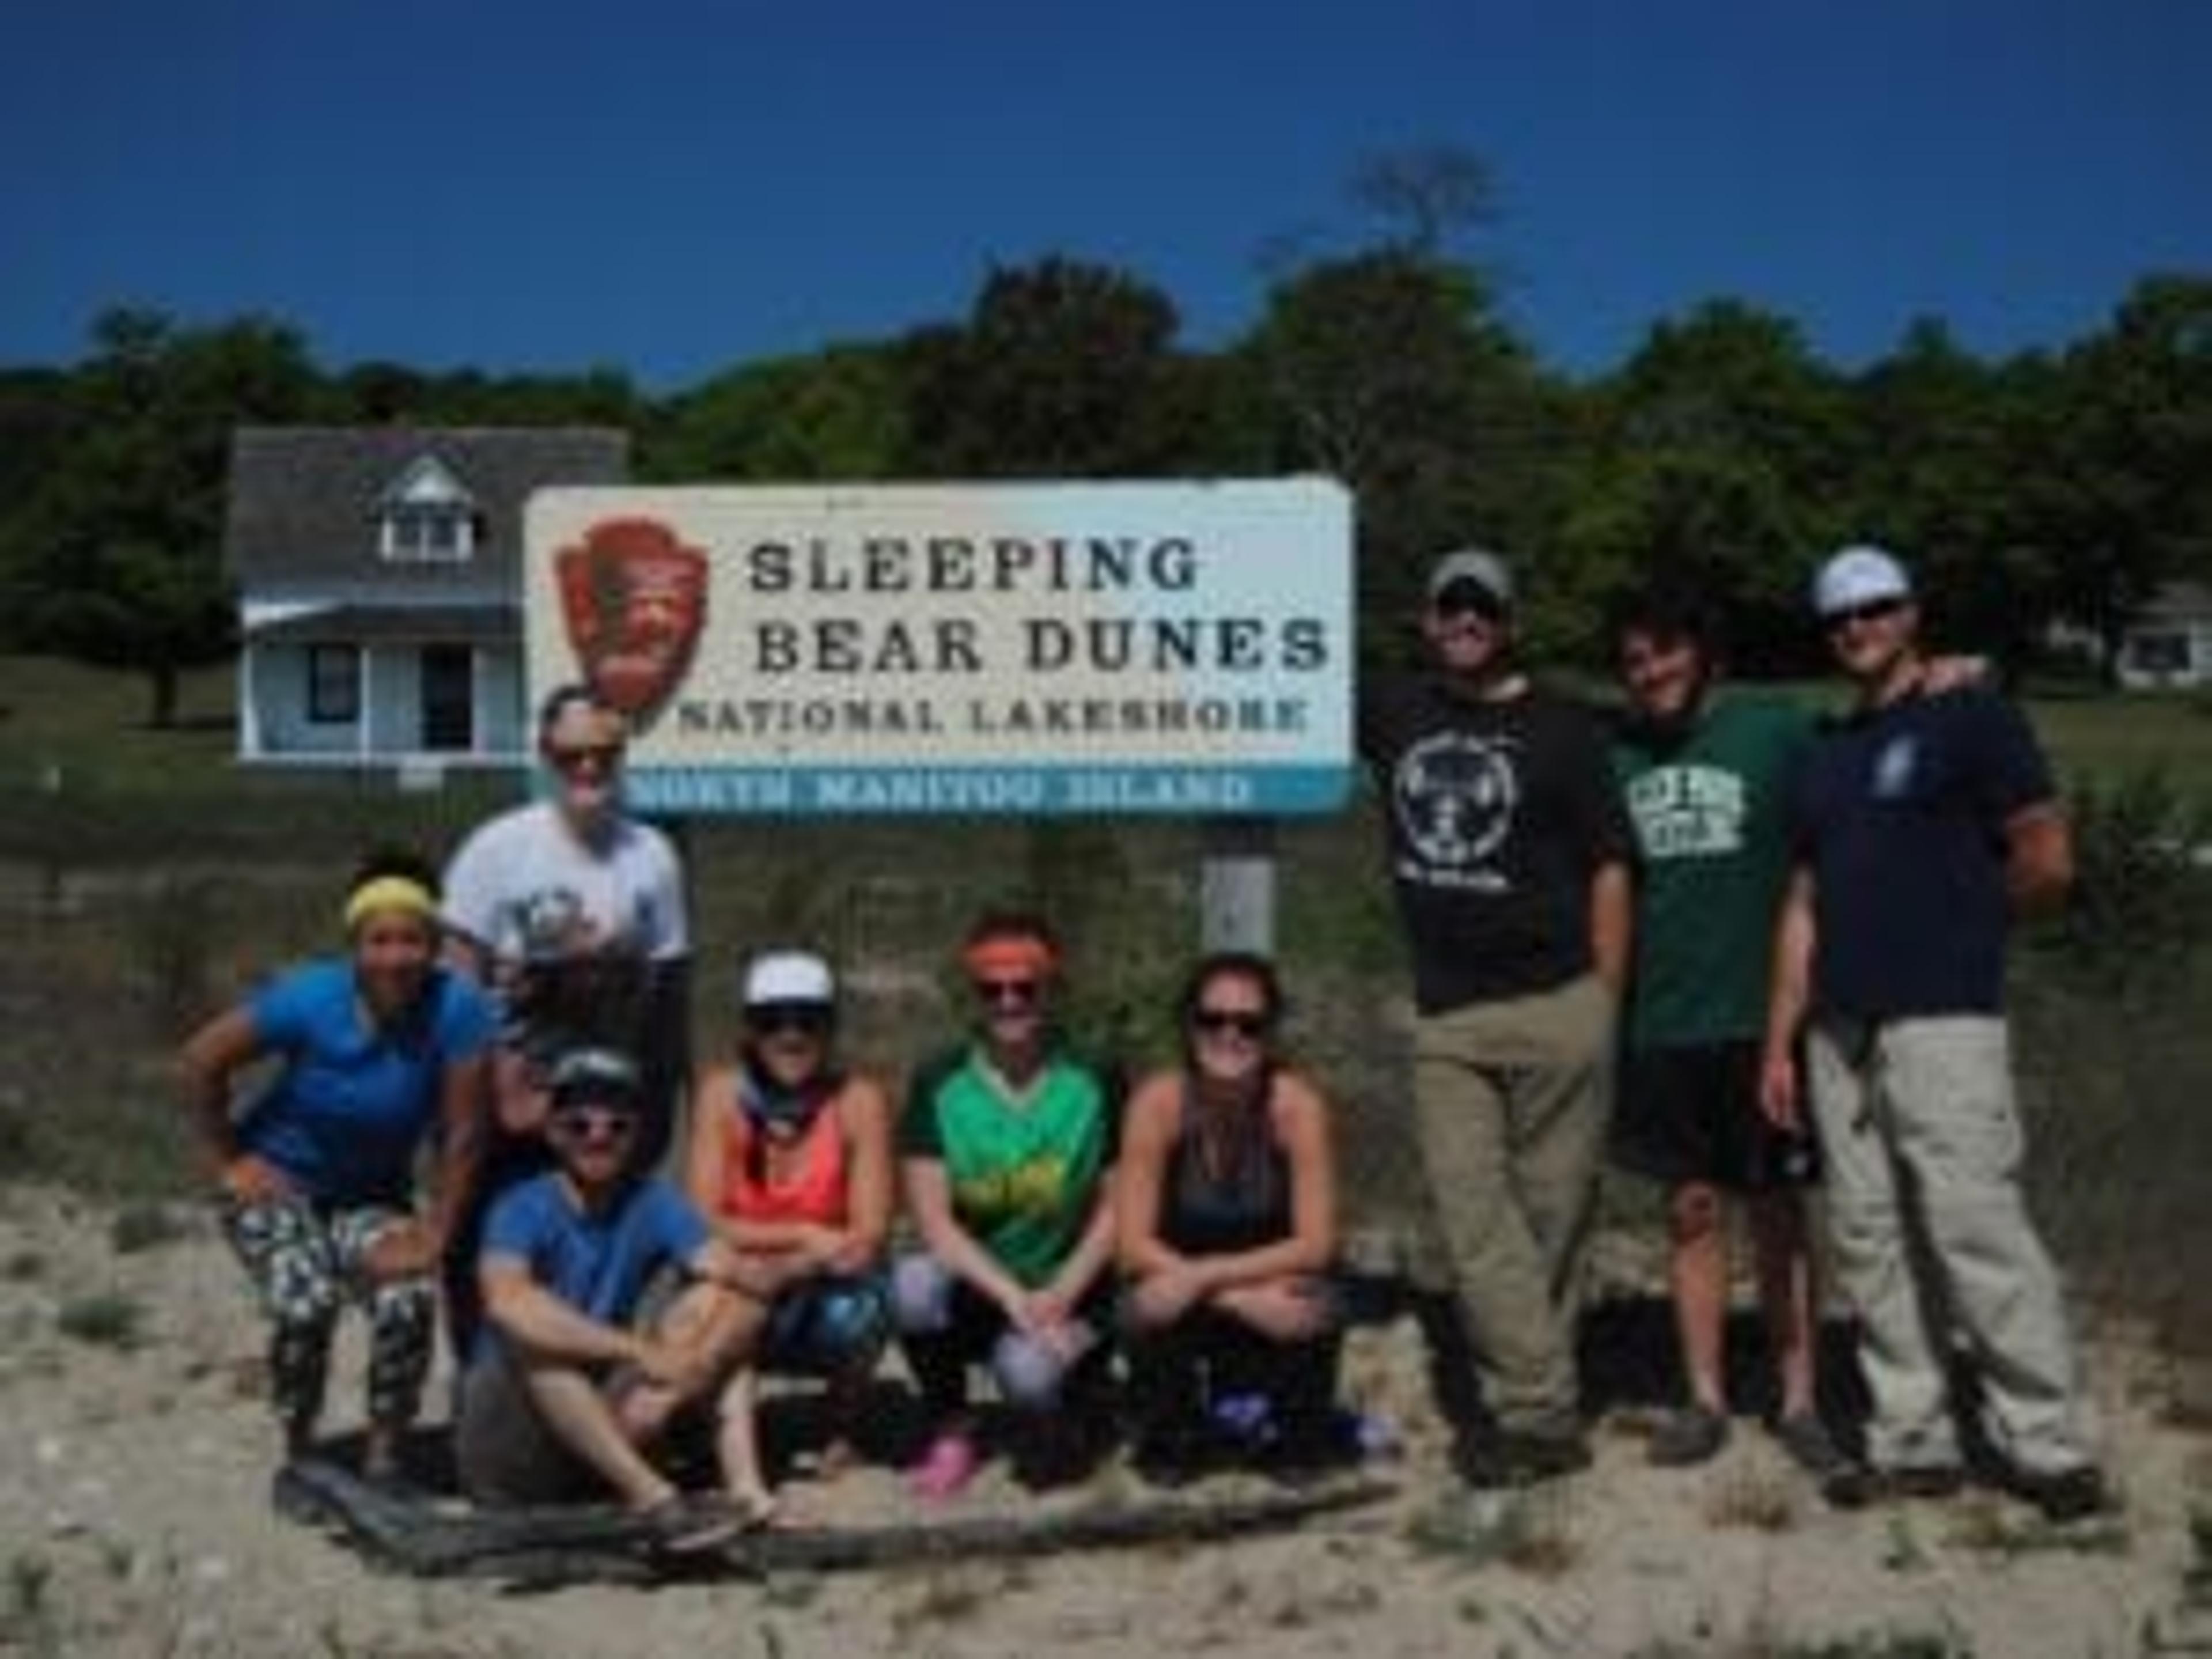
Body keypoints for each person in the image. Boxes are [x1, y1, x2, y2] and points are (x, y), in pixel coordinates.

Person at [1760, 544, 2107, 1521]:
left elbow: (2046, 853)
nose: (1859, 627)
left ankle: (2046, 1441)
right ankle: (1915, 1435)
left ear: (1913, 613)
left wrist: (1972, 926)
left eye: (1877, 608)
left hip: (1944, 1021)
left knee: (1976, 1227)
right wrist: (1780, 1042)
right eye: (1841, 618)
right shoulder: (1826, 753)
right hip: (1838, 1031)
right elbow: (1802, 906)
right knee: (1869, 1240)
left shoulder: (1975, 718)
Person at [1357, 547, 1633, 1487]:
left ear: (1509, 621)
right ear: (1428, 620)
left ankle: (1529, 1412)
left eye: (1483, 606)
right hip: (1450, 1019)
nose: (1466, 618)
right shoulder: (1394, 709)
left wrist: (1605, 998)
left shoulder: (1565, 728)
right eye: (1450, 605)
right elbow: (1277, 676)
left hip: (1560, 1004)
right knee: (1473, 1215)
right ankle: (1545, 1406)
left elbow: (1610, 863)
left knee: (1555, 1221)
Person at [1606, 586, 1844, 1477]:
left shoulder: (1772, 732)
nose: (1652, 673)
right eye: (1634, 661)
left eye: (1665, 653)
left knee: (1779, 1213)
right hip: (1663, 1022)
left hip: (1763, 1020)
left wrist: (1950, 680)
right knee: (1691, 1210)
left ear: (1703, 654)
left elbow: (1863, 747)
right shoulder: (1619, 752)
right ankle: (1703, 1398)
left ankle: (1799, 1398)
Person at [177, 849, 494, 1481]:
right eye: (380, 941)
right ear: (356, 946)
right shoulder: (310, 998)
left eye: (412, 940)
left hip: (370, 1195)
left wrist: (435, 1233)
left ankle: (384, 1458)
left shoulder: (457, 1009)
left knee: (406, 1297)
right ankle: (302, 1452)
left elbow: (464, 1133)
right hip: (279, 1185)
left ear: (434, 945)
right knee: (306, 1303)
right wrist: (228, 1158)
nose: (396, 958)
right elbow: (201, 1059)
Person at [439, 682, 692, 1351]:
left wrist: (665, 1100)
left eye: (604, 752)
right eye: (573, 753)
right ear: (547, 755)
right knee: (492, 1258)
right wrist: (488, 1095)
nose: (589, 768)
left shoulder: (652, 855)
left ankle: (593, 1409)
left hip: (606, 1102)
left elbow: (668, 987)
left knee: (597, 1261)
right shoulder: (497, 850)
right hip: (511, 1100)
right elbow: (458, 988)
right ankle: (484, 1401)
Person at [453, 1045, 769, 1546]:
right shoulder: (519, 1206)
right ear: (554, 1131)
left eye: (616, 1125)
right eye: (580, 1125)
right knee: (535, 1339)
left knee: (715, 1303)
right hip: (508, 1445)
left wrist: (684, 1377)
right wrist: (642, 1352)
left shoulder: (656, 1202)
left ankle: (749, 1492)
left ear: (636, 1133)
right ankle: (656, 1500)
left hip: (604, 1429)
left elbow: (745, 1287)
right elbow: (509, 1302)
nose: (598, 1136)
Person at [891, 911, 1122, 1498]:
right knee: (912, 1285)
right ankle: (952, 1425)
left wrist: (1062, 1293)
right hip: (988, 1285)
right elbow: (935, 1223)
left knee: (1028, 1378)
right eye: (992, 989)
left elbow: (1120, 1205)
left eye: (1026, 987)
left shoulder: (1096, 1077)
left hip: (1070, 1282)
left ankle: (1070, 1406)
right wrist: (1014, 1298)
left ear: (1052, 988)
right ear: (974, 994)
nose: (1010, 1002)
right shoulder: (939, 1082)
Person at [1116, 951, 1346, 1484]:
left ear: (1271, 1032)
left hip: (1268, 1283)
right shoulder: (1159, 1103)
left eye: (1249, 1023)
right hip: (1190, 1283)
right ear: (1189, 1025)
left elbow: (1317, 1244)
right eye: (1212, 1020)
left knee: (1321, 1302)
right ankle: (1169, 1434)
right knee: (1142, 1302)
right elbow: (1131, 1243)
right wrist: (1229, 1294)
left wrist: (1206, 1277)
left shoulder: (1296, 1108)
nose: (1230, 1035)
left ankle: (1296, 1437)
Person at [685, 949, 895, 1521]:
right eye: (774, 1021)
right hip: (748, 1271)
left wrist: (787, 1261)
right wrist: (804, 1234)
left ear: (830, 1028)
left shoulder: (858, 1101)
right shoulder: (720, 1096)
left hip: (820, 1279)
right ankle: (733, 1445)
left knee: (871, 1301)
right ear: (750, 1030)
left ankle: (841, 1422)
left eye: (808, 1020)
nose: (792, 1035)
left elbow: (869, 1232)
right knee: (729, 1301)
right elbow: (700, 1220)